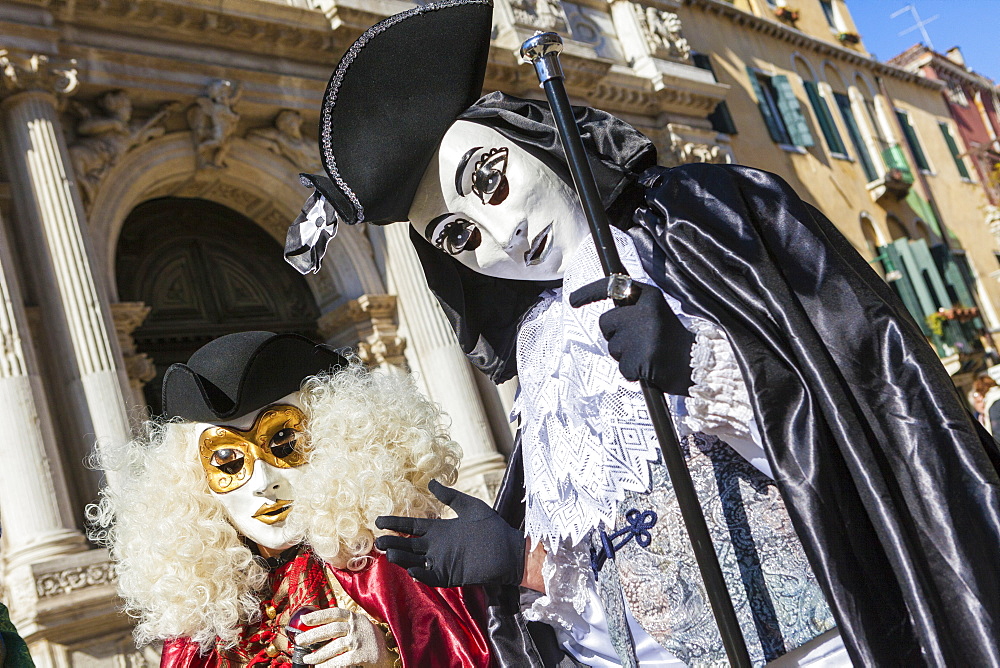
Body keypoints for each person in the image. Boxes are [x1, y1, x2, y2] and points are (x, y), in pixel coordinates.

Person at [282, 2, 1000, 666]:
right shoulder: (543, 361)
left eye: (492, 180)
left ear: (537, 142)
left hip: (831, 636)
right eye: (460, 235)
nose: (503, 235)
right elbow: (610, 585)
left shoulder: (703, 229)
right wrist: (520, 563)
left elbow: (864, 406)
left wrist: (703, 364)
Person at [88, 331, 492, 668]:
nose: (264, 482)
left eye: (285, 442)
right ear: (195, 483)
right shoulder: (207, 617)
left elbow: (482, 650)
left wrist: (391, 651)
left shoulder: (397, 567)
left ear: (339, 443)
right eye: (228, 461)